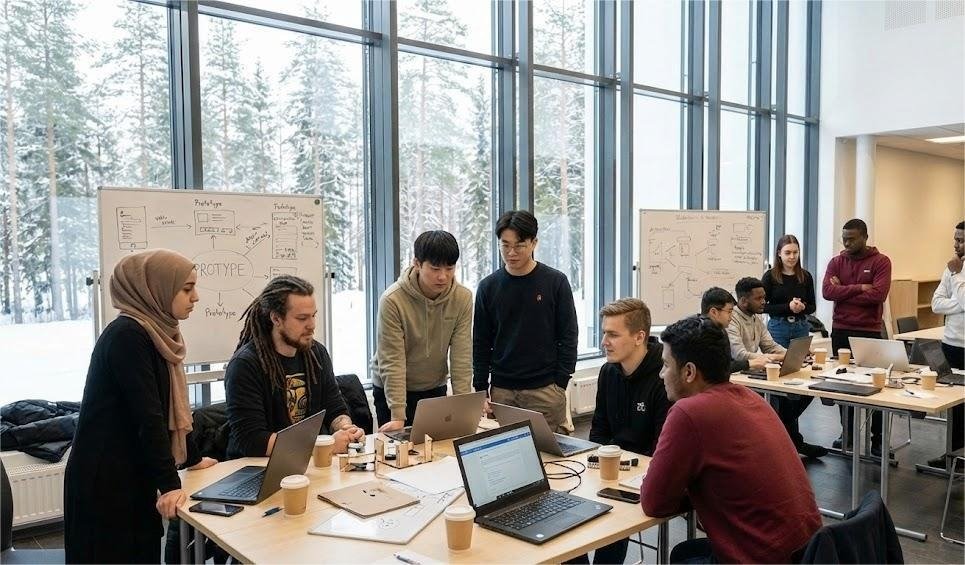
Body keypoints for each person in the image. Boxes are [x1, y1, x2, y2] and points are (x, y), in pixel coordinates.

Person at [65, 249, 217, 563]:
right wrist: (170, 485)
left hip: (132, 475)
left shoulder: (158, 332)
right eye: (187, 288)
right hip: (106, 482)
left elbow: (174, 408)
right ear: (156, 289)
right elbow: (149, 416)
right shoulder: (127, 336)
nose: (196, 297)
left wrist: (192, 458)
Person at [641, 316, 821, 564]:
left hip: (761, 557)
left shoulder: (689, 413)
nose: (661, 374)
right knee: (685, 552)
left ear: (689, 372)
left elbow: (654, 503)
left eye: (666, 365)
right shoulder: (750, 396)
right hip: (808, 551)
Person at [225, 275, 363, 459]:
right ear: (276, 318)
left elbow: (335, 409)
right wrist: (323, 446)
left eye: (313, 316)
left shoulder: (316, 354)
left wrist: (346, 429)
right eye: (302, 318)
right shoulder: (245, 365)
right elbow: (253, 441)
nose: (312, 325)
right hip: (255, 467)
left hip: (305, 463)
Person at [473, 210, 578, 433]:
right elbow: (481, 343)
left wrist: (560, 382)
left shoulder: (555, 282)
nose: (511, 252)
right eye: (505, 245)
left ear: (534, 243)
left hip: (546, 389)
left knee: (552, 458)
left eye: (519, 245)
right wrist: (481, 388)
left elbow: (568, 335)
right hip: (502, 390)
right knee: (507, 458)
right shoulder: (488, 287)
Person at [584, 298, 671, 564]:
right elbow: (598, 432)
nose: (603, 342)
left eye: (612, 334)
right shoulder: (608, 372)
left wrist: (618, 466)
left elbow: (662, 450)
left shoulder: (665, 376)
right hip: (611, 468)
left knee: (614, 512)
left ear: (639, 337)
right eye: (603, 333)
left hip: (645, 475)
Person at [371, 230, 473, 432]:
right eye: (435, 268)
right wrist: (398, 414)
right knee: (398, 455)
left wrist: (464, 407)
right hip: (391, 391)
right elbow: (392, 360)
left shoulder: (462, 298)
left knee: (438, 451)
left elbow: (462, 356)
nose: (443, 277)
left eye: (450, 268)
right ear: (417, 264)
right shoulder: (393, 300)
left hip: (434, 387)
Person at [822, 218, 892, 456]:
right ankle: (848, 435)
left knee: (877, 385)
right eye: (844, 238)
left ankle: (878, 442)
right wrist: (860, 287)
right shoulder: (836, 262)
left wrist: (843, 291)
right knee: (843, 384)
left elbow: (878, 295)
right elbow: (827, 292)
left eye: (852, 238)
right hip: (841, 330)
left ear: (865, 237)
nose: (847, 242)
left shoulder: (881, 262)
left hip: (869, 331)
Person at [926, 220, 965, 468]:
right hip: (950, 343)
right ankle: (952, 455)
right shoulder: (951, 266)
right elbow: (936, 303)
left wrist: (957, 276)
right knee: (953, 404)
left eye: (961, 240)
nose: (956, 244)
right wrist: (959, 304)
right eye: (955, 239)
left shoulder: (954, 269)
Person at [762, 234, 817, 346]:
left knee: (800, 361)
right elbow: (762, 307)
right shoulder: (770, 276)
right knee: (778, 361)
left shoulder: (806, 276)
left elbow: (812, 307)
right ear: (779, 254)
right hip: (777, 327)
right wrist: (788, 307)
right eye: (787, 253)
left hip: (801, 326)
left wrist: (803, 307)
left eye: (795, 252)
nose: (792, 256)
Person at [700, 287, 768, 374]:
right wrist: (749, 364)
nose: (731, 317)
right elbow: (716, 368)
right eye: (729, 311)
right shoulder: (702, 334)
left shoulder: (719, 331)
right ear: (714, 312)